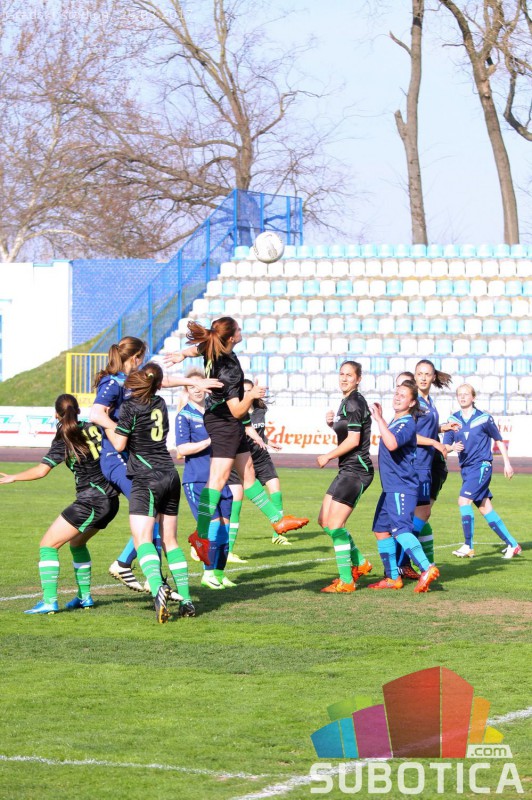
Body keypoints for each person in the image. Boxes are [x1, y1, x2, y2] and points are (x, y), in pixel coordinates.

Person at [164, 317, 309, 564]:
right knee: (218, 479)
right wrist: (250, 395)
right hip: (223, 422)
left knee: (248, 472)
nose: (242, 331)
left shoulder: (212, 347)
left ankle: (277, 520)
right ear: (231, 337)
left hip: (225, 421)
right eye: (238, 329)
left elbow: (195, 349)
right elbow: (237, 410)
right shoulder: (229, 368)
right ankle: (200, 535)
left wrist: (181, 354)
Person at [90, 336, 220, 595]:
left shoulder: (132, 379)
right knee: (152, 513)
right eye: (143, 356)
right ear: (136, 357)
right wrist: (121, 431)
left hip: (130, 457)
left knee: (154, 513)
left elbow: (163, 381)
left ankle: (130, 566)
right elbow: (95, 413)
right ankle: (149, 577)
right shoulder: (113, 382)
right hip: (116, 457)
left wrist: (192, 382)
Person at [0, 394, 119, 614]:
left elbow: (41, 471)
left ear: (56, 415)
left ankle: (49, 601)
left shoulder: (65, 437)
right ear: (78, 411)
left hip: (91, 500)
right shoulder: (95, 428)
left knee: (48, 546)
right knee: (77, 544)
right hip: (111, 500)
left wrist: (13, 477)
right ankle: (84, 597)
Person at [100, 362, 195, 623]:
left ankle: (157, 589)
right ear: (158, 384)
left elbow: (119, 444)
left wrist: (105, 422)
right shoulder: (160, 403)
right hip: (170, 475)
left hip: (146, 477)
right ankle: (186, 600)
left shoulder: (131, 406)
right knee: (170, 541)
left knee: (142, 539)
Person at [368, 380, 440, 593]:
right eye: (396, 393)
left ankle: (427, 568)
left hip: (401, 487)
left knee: (400, 530)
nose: (397, 397)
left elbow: (391, 444)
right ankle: (392, 577)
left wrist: (379, 419)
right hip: (391, 487)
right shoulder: (396, 421)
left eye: (403, 395)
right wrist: (383, 419)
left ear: (412, 402)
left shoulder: (407, 422)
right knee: (381, 530)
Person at [443, 384, 521, 559]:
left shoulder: (484, 418)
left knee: (463, 501)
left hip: (481, 466)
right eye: (459, 394)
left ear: (473, 397)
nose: (463, 397)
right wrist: (452, 447)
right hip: (467, 470)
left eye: (466, 394)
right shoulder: (452, 420)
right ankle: (513, 544)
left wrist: (507, 463)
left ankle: (468, 546)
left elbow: (498, 440)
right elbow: (445, 447)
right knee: (485, 508)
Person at [174, 368, 236, 589]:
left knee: (225, 528)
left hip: (220, 477)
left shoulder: (215, 411)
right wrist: (209, 441)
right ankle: (207, 573)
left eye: (200, 385)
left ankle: (219, 574)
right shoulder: (184, 416)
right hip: (198, 479)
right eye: (192, 387)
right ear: (186, 391)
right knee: (213, 525)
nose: (197, 390)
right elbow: (182, 449)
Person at [316, 361, 374, 593]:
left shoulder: (354, 402)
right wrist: (333, 424)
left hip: (357, 470)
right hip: (347, 469)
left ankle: (347, 581)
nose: (344, 378)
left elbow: (354, 440)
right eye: (341, 374)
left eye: (349, 375)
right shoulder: (346, 401)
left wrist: (328, 456)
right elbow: (348, 433)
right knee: (324, 520)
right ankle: (361, 563)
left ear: (358, 379)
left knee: (335, 524)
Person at [396, 361, 456, 580]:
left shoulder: (429, 402)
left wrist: (442, 428)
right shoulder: (414, 403)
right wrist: (434, 442)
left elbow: (425, 428)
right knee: (419, 515)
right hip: (416, 465)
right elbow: (408, 433)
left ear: (433, 377)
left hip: (426, 465)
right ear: (414, 376)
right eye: (419, 374)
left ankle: (400, 563)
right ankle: (400, 562)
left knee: (416, 516)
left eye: (427, 374)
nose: (422, 377)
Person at [226, 378, 287, 559]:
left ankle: (278, 534)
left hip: (261, 457)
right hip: (243, 458)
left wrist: (268, 442)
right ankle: (228, 548)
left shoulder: (260, 410)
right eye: (244, 391)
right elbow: (244, 431)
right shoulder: (237, 411)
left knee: (276, 489)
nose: (247, 393)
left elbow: (260, 434)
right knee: (237, 500)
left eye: (249, 390)